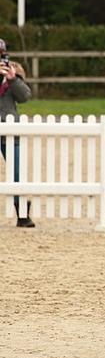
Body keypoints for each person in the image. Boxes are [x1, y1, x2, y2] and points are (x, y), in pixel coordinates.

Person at [0, 38, 34, 227]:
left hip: (9, 128)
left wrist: (12, 79)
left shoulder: (12, 72)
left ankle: (22, 213)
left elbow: (24, 97)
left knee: (16, 172)